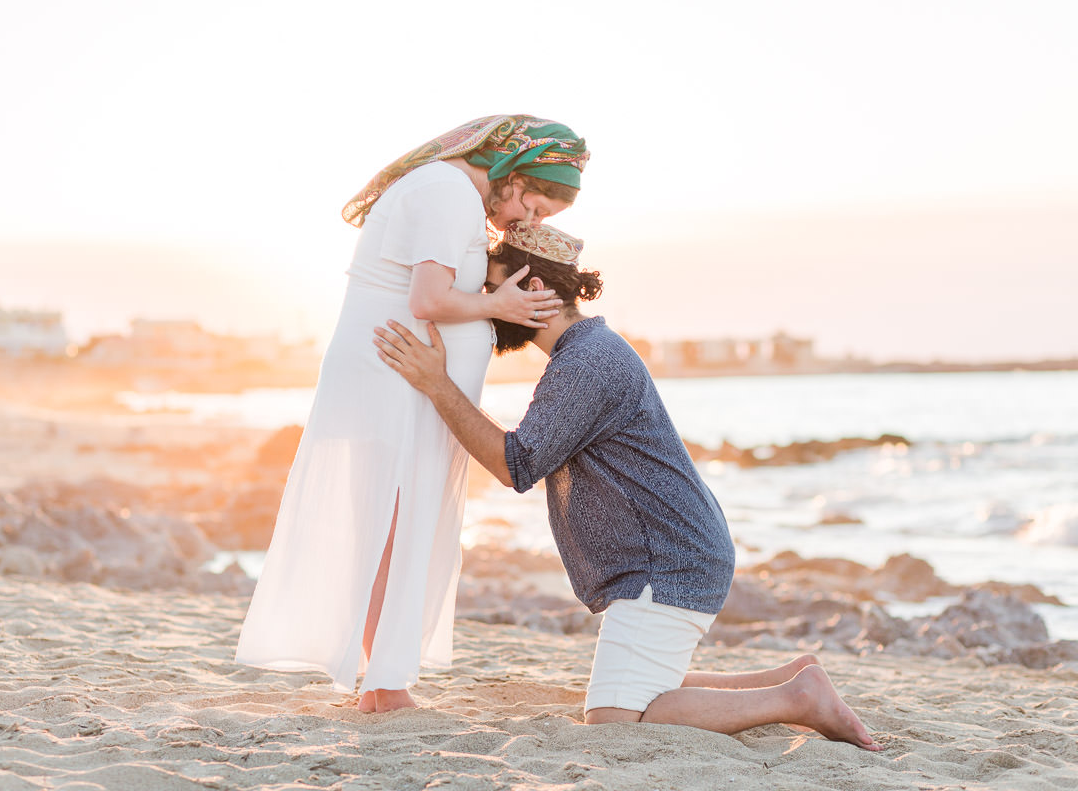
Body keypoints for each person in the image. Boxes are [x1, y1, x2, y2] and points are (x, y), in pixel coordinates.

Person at [372, 223, 884, 750]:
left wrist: (436, 383)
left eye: (494, 289)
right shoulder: (586, 350)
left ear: (534, 289)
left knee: (615, 720)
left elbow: (516, 465)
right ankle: (787, 680)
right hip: (677, 556)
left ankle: (798, 700)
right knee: (642, 692)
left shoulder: (586, 361)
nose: (485, 305)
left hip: (666, 565)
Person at [235, 116, 590, 714]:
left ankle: (382, 679)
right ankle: (386, 685)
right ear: (512, 172)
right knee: (398, 518)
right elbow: (428, 300)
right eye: (535, 201)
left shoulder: (451, 193)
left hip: (401, 378)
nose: (531, 218)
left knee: (397, 519)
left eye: (546, 214)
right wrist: (500, 302)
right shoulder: (447, 193)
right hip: (394, 379)